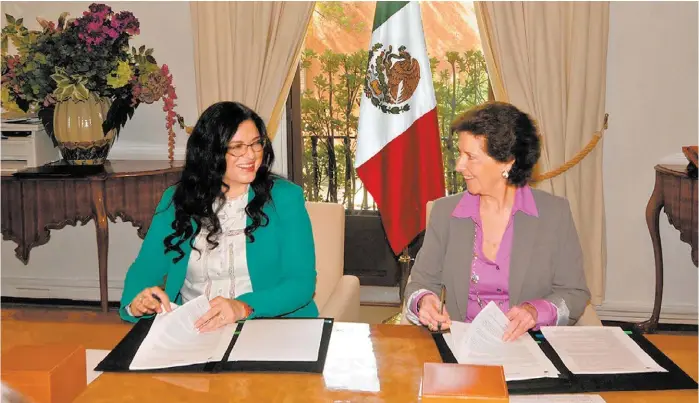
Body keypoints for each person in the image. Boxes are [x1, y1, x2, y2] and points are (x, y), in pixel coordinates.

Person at [120, 101, 317, 331]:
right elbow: (146, 268)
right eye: (237, 147)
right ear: (210, 152)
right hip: (196, 331)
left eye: (256, 144)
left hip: (269, 327)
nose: (251, 155)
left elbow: (300, 283)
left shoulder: (285, 198)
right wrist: (137, 302)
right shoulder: (176, 200)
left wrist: (243, 307)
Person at [404, 101, 590, 341]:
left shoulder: (554, 214)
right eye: (459, 154)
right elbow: (419, 283)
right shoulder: (445, 212)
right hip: (461, 345)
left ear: (507, 162)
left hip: (527, 345)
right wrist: (423, 301)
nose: (459, 166)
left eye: (470, 157)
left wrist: (535, 311)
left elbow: (574, 294)